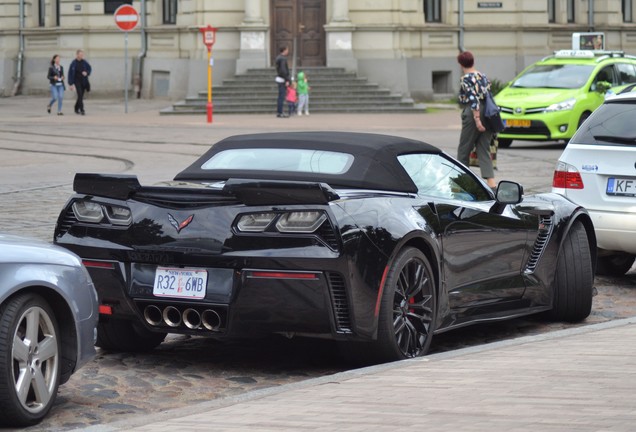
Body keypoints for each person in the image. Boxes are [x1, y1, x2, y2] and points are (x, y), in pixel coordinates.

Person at [456, 50, 496, 189]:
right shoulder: (482, 76)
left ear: (461, 64)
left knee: (463, 149)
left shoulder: (466, 78)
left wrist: (477, 119)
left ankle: (463, 183)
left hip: (474, 113)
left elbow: (473, 99)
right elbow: (489, 93)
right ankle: (491, 184)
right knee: (483, 148)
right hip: (488, 113)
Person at [68, 49, 92, 115]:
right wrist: (70, 84)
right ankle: (82, 110)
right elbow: (70, 73)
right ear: (77, 55)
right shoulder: (73, 63)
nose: (82, 56)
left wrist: (86, 72)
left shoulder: (84, 62)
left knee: (80, 96)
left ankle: (76, 107)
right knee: (80, 95)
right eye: (80, 55)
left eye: (82, 55)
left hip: (84, 81)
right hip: (76, 81)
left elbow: (89, 68)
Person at [275, 46, 290, 118]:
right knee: (281, 97)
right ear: (284, 50)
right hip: (282, 79)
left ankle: (279, 111)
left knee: (280, 97)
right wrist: (287, 79)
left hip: (280, 78)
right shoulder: (283, 59)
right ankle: (280, 112)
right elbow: (283, 70)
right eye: (287, 50)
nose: (288, 51)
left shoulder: (278, 58)